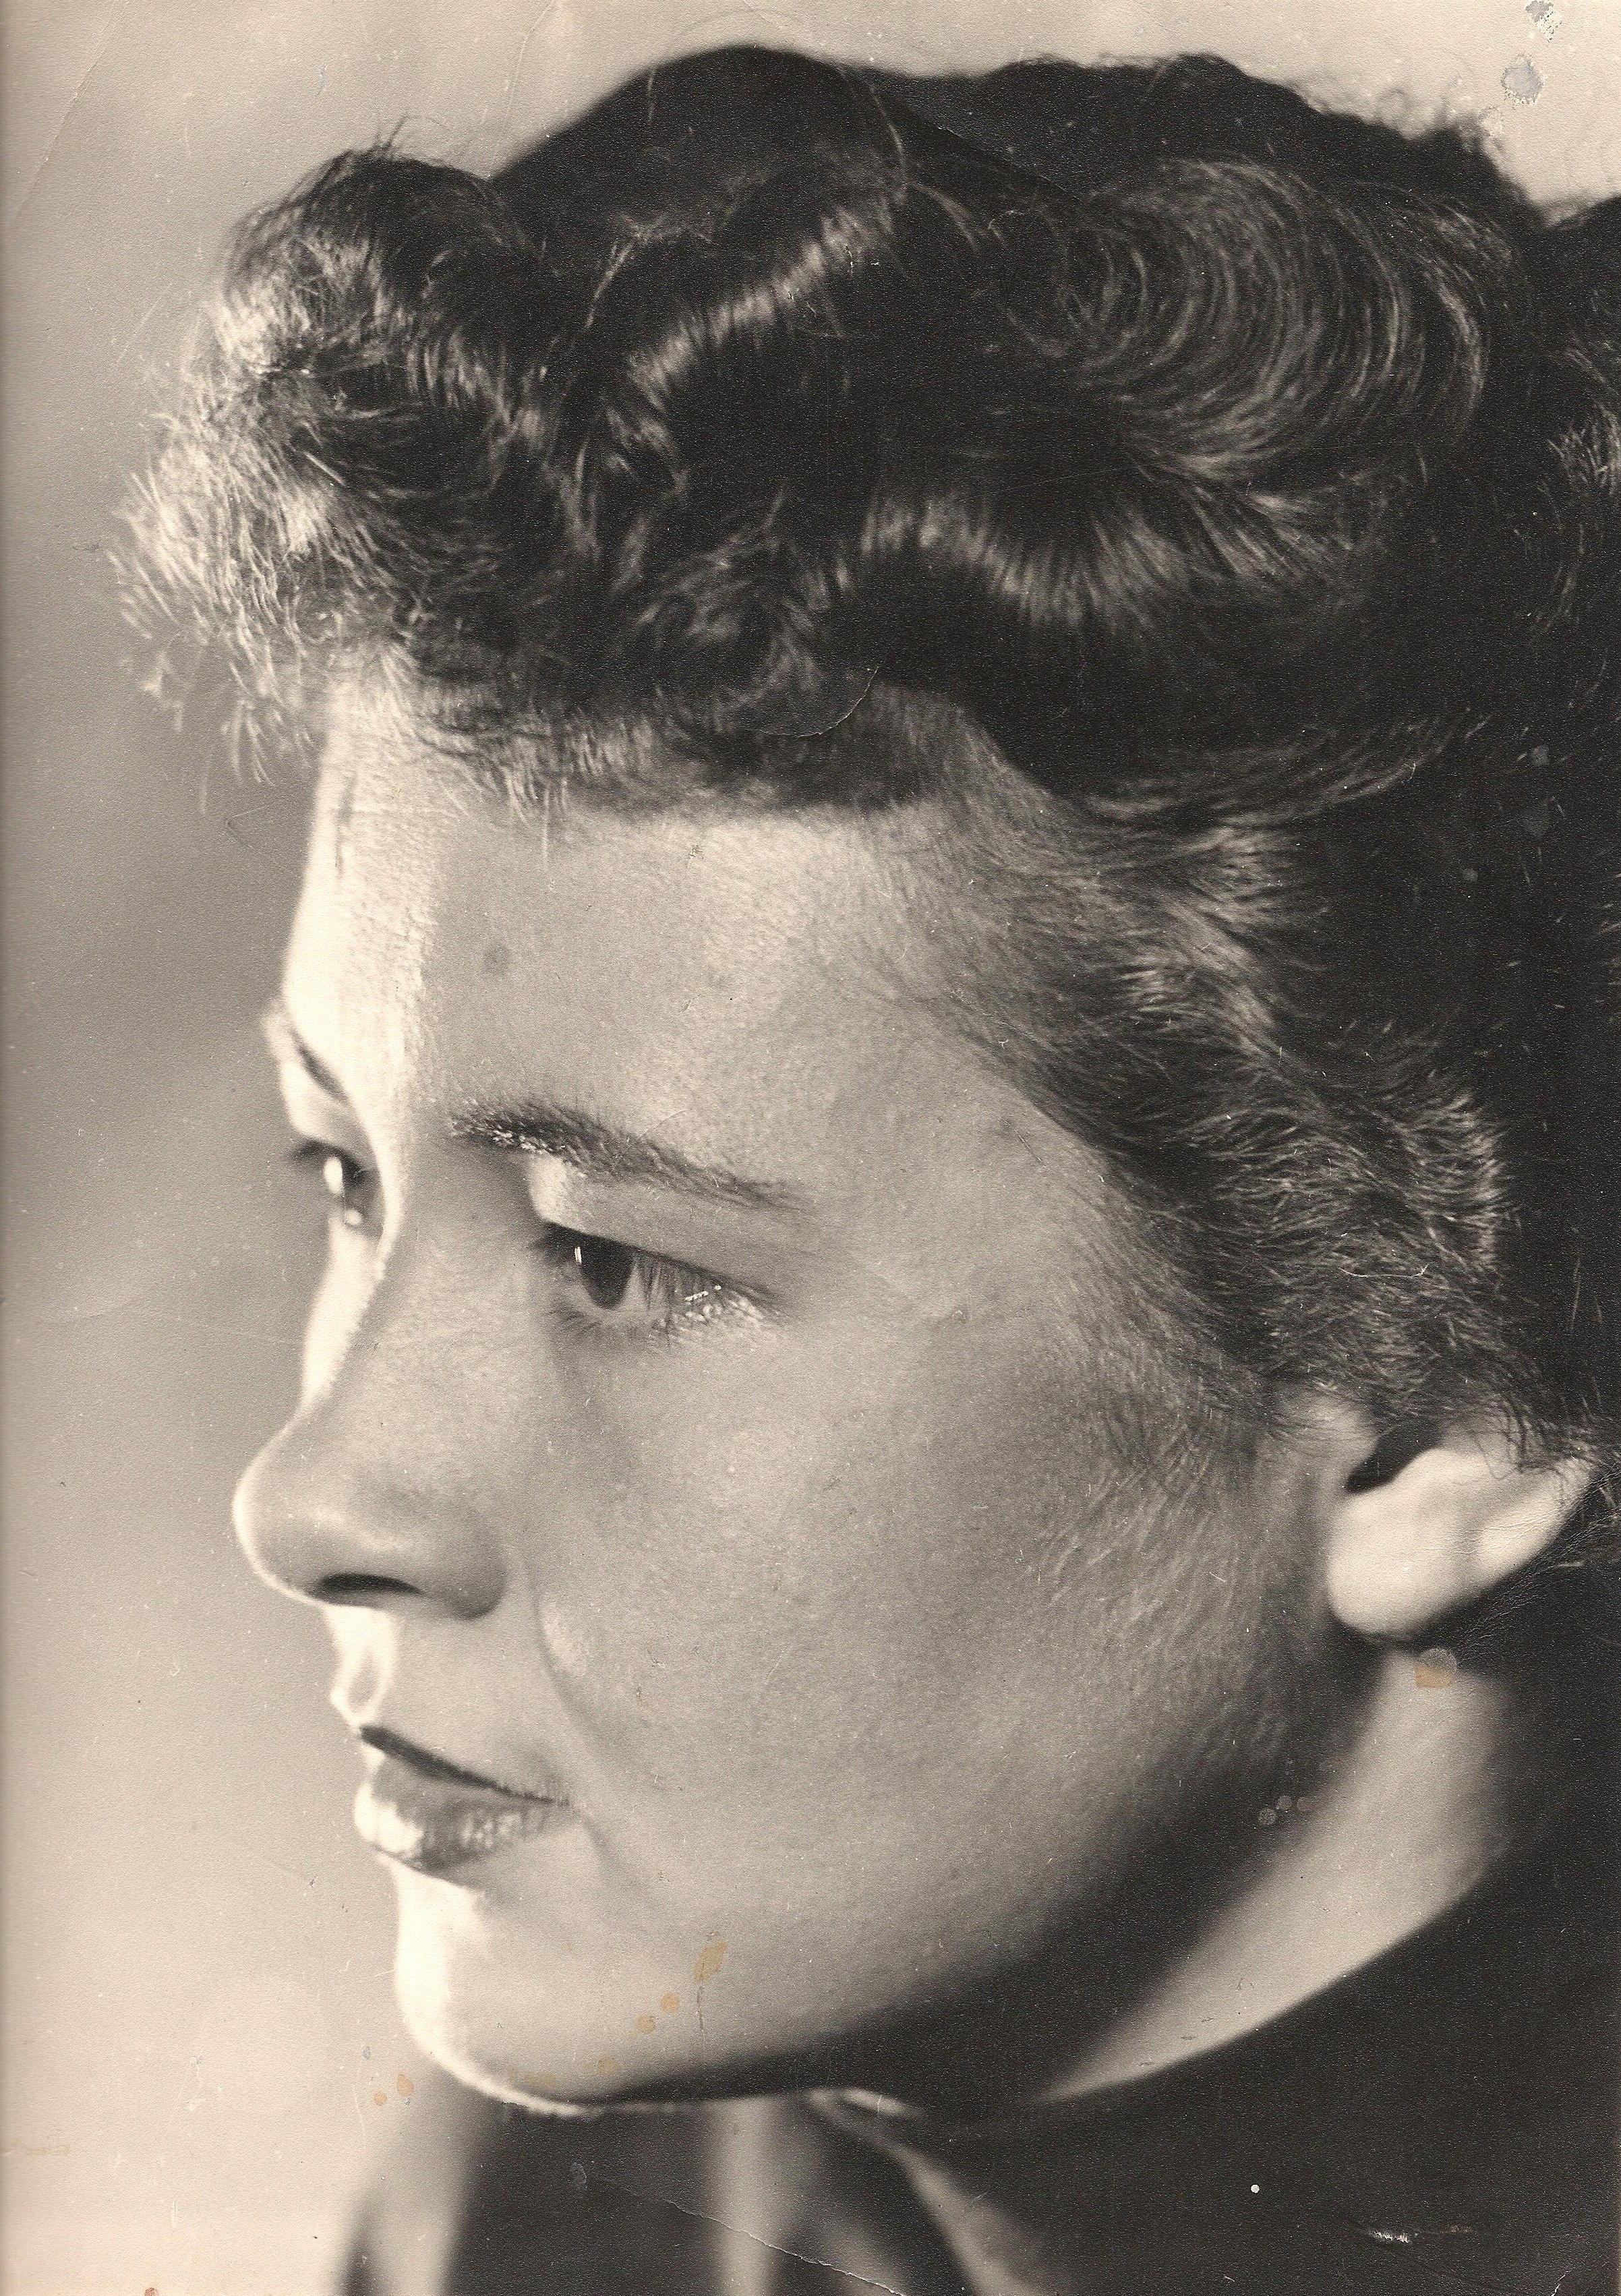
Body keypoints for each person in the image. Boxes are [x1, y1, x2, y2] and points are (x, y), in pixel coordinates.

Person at [121, 45, 1620, 2294]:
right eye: (342, 1171)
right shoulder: (552, 2220)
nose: (315, 1496)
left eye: (614, 1264)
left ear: (1435, 1416)